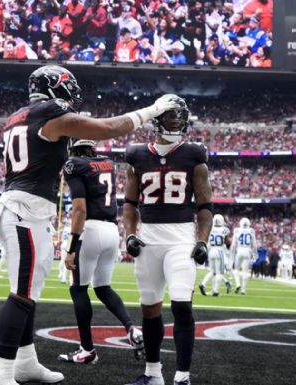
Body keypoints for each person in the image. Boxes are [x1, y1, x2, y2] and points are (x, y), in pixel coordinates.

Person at [0, 65, 179, 385]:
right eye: (68, 88)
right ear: (56, 88)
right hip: (24, 211)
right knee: (21, 295)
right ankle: (0, 373)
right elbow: (108, 127)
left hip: (28, 210)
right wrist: (151, 110)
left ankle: (25, 362)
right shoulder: (50, 114)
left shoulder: (21, 115)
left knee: (27, 292)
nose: (72, 95)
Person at [123, 95, 213, 385]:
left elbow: (205, 206)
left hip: (181, 238)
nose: (176, 120)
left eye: (180, 115)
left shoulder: (194, 154)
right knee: (149, 307)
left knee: (181, 304)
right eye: (171, 115)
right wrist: (129, 235)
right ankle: (152, 374)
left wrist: (202, 240)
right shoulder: (136, 155)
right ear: (157, 119)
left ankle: (183, 377)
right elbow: (129, 204)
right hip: (149, 238)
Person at [57, 139, 143, 364]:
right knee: (103, 288)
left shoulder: (74, 164)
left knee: (78, 290)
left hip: (91, 230)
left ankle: (87, 349)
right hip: (111, 230)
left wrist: (71, 248)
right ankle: (131, 328)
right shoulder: (107, 162)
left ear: (73, 149)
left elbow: (79, 209)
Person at [198, 214, 231, 296]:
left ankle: (203, 284)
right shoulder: (224, 229)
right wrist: (229, 247)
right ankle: (216, 291)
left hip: (211, 251)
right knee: (220, 273)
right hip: (219, 251)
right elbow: (227, 242)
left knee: (213, 272)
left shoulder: (210, 229)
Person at [230, 217, 256, 295]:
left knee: (236, 270)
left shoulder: (237, 230)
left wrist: (231, 254)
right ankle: (243, 290)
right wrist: (255, 254)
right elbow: (254, 245)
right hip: (247, 251)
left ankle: (238, 284)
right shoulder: (251, 231)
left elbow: (233, 245)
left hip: (239, 250)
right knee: (245, 271)